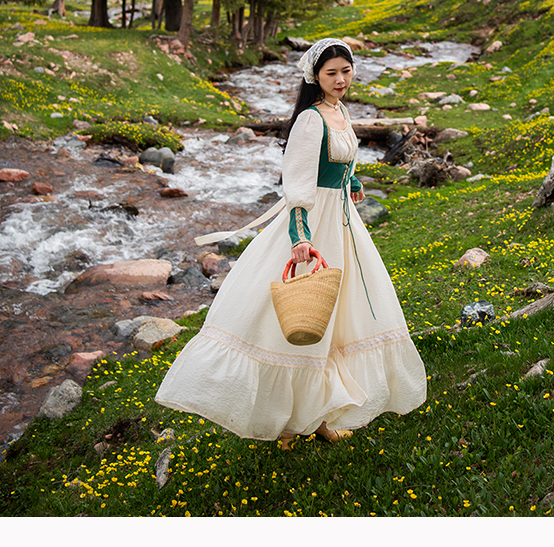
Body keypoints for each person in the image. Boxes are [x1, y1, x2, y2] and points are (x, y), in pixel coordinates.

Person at [155, 37, 426, 446]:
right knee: (300, 315)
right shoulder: (310, 119)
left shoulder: (340, 111)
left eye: (346, 71)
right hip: (313, 221)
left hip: (342, 220)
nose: (340, 79)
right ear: (315, 76)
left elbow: (343, 155)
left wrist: (352, 181)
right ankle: (287, 417)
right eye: (331, 73)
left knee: (338, 314)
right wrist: (300, 237)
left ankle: (316, 415)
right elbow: (296, 181)